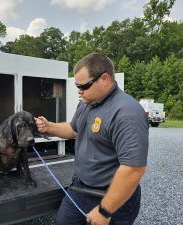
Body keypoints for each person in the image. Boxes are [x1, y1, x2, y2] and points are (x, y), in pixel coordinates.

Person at [35, 53, 149, 225]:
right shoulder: (86, 103)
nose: (79, 91)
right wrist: (49, 126)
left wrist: (105, 210)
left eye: (84, 86)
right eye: (77, 85)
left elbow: (133, 169)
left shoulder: (126, 112)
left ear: (104, 79)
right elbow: (73, 130)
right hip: (79, 189)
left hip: (110, 197)